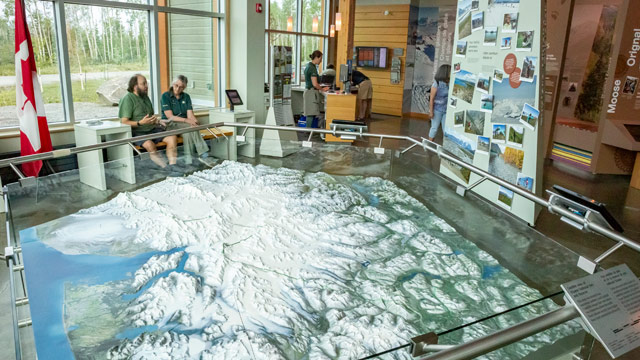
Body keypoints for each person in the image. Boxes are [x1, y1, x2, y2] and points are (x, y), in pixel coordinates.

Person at [119, 74, 178, 169]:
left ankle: (173, 166)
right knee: (150, 145)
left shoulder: (145, 97)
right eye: (143, 84)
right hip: (137, 132)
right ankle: (165, 168)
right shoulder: (127, 99)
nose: (146, 86)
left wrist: (157, 121)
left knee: (172, 138)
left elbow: (149, 117)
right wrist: (140, 123)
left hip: (152, 129)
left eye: (146, 83)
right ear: (135, 86)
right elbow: (123, 122)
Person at [161, 75, 216, 167]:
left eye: (181, 87)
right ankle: (204, 155)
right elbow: (170, 117)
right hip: (169, 124)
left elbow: (190, 114)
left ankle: (189, 161)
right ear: (172, 84)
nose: (178, 89)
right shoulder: (165, 96)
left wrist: (194, 121)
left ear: (184, 87)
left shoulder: (186, 97)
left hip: (183, 124)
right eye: (176, 85)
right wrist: (187, 120)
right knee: (190, 127)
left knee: (189, 131)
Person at [302, 50, 328, 128]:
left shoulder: (308, 66)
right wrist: (323, 89)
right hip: (311, 93)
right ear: (316, 57)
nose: (321, 61)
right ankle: (309, 132)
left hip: (308, 92)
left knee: (311, 113)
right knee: (311, 114)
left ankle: (310, 131)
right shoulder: (312, 68)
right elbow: (315, 84)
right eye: (320, 59)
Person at [428, 64, 452, 142]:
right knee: (434, 128)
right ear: (445, 72)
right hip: (437, 110)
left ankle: (446, 147)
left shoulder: (451, 83)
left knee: (446, 130)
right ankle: (429, 144)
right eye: (450, 71)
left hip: (447, 111)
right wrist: (431, 112)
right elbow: (431, 99)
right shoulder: (436, 83)